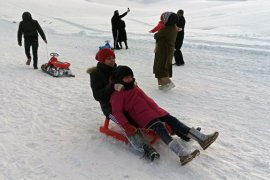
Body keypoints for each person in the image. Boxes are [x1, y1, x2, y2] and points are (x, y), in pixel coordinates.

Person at [110, 65, 219, 165]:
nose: (129, 79)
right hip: (142, 117)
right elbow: (117, 112)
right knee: (161, 128)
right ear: (120, 79)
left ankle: (202, 139)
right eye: (126, 78)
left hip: (154, 111)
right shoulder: (117, 95)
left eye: (130, 77)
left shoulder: (134, 87)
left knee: (174, 121)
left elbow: (147, 99)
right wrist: (126, 125)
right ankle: (182, 154)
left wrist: (158, 109)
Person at [86, 48, 160, 161]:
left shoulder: (117, 69)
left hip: (127, 102)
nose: (112, 60)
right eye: (109, 58)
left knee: (144, 110)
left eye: (113, 57)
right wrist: (111, 88)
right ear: (102, 60)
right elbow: (97, 95)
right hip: (110, 107)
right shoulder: (96, 74)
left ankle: (167, 129)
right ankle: (145, 148)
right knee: (127, 123)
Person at [153, 12, 178, 91]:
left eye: (164, 19)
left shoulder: (167, 28)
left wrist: (160, 28)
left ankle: (169, 83)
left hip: (164, 50)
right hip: (165, 50)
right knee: (161, 67)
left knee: (161, 67)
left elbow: (156, 35)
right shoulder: (173, 27)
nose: (163, 20)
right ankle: (162, 85)